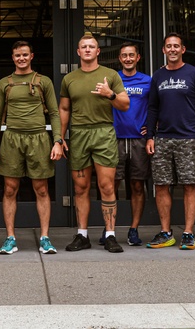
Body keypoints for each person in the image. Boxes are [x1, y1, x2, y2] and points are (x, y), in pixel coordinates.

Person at [0, 41, 63, 255]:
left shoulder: (43, 81)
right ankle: (10, 238)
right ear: (12, 58)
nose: (21, 58)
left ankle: (45, 238)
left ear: (32, 56)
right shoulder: (5, 83)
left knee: (41, 189)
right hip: (11, 139)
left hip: (39, 138)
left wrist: (57, 140)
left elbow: (55, 113)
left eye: (24, 55)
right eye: (17, 55)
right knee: (10, 189)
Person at [60, 33, 130, 253]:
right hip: (79, 134)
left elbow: (125, 104)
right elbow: (64, 109)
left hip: (103, 132)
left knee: (107, 186)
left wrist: (110, 94)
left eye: (92, 46)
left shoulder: (110, 75)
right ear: (78, 52)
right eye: (84, 47)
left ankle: (110, 235)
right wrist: (61, 137)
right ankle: (82, 235)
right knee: (80, 188)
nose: (88, 49)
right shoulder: (69, 78)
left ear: (98, 51)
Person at [144, 33, 195, 250]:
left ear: (183, 49)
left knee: (189, 185)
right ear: (163, 50)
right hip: (163, 139)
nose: (172, 49)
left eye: (176, 46)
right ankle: (166, 233)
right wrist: (149, 137)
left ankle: (188, 233)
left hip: (190, 139)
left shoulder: (194, 74)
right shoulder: (158, 76)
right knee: (162, 185)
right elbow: (153, 107)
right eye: (168, 46)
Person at [110, 42, 152, 246]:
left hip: (138, 139)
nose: (127, 58)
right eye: (124, 55)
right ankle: (108, 229)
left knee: (137, 185)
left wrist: (152, 127)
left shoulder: (147, 81)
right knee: (111, 185)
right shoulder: (112, 79)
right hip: (114, 138)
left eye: (131, 55)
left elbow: (157, 107)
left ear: (138, 58)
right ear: (119, 58)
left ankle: (133, 229)